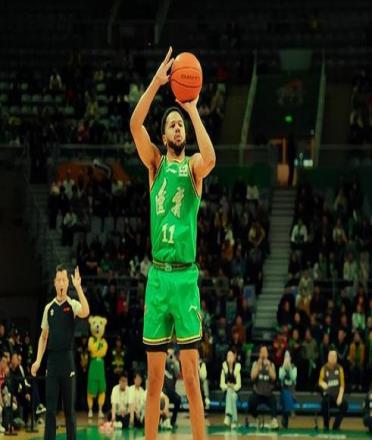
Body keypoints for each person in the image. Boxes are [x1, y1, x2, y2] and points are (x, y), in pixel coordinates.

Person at [130, 47, 216, 440]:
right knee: (153, 380)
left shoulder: (193, 166)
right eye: (172, 124)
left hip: (184, 280)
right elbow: (135, 124)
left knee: (191, 379)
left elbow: (211, 159)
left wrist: (192, 110)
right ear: (164, 135)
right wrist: (156, 83)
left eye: (180, 124)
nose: (177, 128)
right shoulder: (155, 164)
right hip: (158, 278)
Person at [31, 265, 89, 440]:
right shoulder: (48, 308)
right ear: (55, 283)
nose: (62, 283)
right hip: (52, 363)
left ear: (67, 283)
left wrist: (78, 287)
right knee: (50, 410)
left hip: (67, 361)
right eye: (59, 280)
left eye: (64, 280)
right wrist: (38, 361)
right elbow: (43, 337)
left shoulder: (72, 304)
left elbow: (86, 312)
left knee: (69, 410)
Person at [249, 346, 278, 429]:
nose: (263, 354)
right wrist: (258, 365)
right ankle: (257, 417)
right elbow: (252, 376)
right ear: (259, 354)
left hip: (268, 393)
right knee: (251, 403)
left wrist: (268, 366)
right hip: (257, 392)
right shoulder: (255, 364)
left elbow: (274, 377)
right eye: (261, 352)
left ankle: (273, 420)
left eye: (265, 352)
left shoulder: (271, 364)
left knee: (274, 402)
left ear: (267, 354)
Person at [318, 350, 348, 431]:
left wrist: (340, 397)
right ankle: (326, 425)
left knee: (345, 405)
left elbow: (342, 384)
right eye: (331, 356)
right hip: (327, 395)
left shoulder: (340, 368)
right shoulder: (324, 368)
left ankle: (336, 426)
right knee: (324, 403)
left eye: (334, 356)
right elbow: (320, 381)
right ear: (328, 357)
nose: (332, 358)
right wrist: (323, 384)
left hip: (337, 395)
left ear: (336, 358)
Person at [220, 349, 241, 429]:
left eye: (231, 356)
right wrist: (228, 386)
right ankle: (234, 421)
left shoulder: (237, 368)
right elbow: (222, 384)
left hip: (235, 392)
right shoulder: (224, 368)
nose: (230, 358)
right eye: (228, 356)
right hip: (226, 393)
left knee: (232, 396)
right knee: (230, 393)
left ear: (234, 357)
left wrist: (233, 387)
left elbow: (239, 385)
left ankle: (228, 416)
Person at [163, 349, 181, 429]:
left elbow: (177, 372)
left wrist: (174, 361)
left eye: (171, 354)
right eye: (168, 354)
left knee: (178, 399)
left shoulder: (174, 367)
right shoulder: (162, 366)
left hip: (171, 393)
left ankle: (173, 421)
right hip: (162, 393)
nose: (169, 356)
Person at [278, 351, 297, 429]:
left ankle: (285, 421)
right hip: (283, 393)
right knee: (285, 392)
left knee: (287, 394)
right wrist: (284, 367)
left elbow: (293, 378)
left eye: (288, 357)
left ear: (290, 358)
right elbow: (281, 377)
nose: (287, 358)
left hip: (292, 393)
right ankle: (291, 410)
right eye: (285, 357)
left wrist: (289, 368)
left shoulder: (294, 368)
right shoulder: (281, 367)